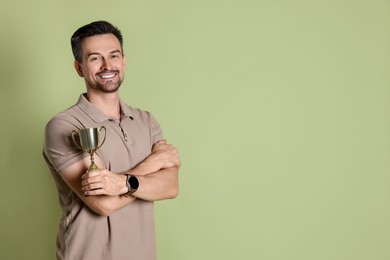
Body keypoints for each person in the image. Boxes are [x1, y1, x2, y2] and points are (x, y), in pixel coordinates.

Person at [43, 20, 180, 260]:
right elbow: (102, 204)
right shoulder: (64, 126)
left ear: (123, 61)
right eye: (95, 58)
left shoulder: (146, 121)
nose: (108, 65)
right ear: (79, 68)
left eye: (114, 56)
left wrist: (121, 183)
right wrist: (151, 164)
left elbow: (170, 186)